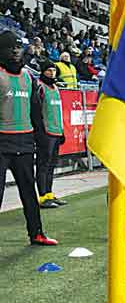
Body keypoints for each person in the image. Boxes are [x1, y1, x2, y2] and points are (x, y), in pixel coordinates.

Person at [0, 31, 57, 246]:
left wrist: (41, 139)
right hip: (2, 142)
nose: (16, 52)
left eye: (18, 48)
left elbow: (35, 112)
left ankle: (37, 233)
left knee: (29, 193)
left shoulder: (28, 77)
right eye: (11, 48)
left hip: (24, 142)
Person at [33, 61, 67, 209]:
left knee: (52, 165)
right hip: (46, 133)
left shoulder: (56, 87)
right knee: (43, 165)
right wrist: (39, 132)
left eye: (54, 70)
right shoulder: (39, 86)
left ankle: (49, 193)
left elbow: (57, 111)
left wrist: (62, 131)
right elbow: (36, 112)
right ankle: (41, 197)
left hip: (56, 131)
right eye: (49, 70)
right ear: (43, 71)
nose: (52, 73)